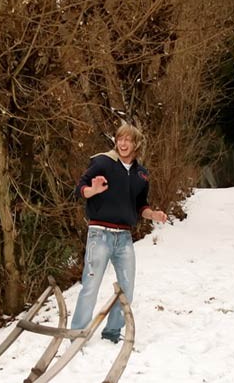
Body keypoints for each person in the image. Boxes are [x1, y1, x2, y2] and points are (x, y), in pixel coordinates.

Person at [70, 124, 167, 343]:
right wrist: (92, 190)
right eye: (120, 139)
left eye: (128, 140)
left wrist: (152, 214)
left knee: (127, 289)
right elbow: (80, 188)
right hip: (99, 235)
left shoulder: (142, 174)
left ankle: (112, 332)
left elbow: (141, 204)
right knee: (90, 286)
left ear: (136, 144)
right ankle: (77, 334)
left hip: (124, 238)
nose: (123, 144)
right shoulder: (103, 162)